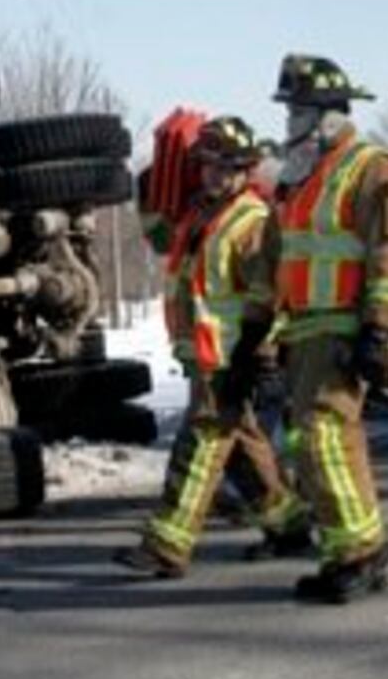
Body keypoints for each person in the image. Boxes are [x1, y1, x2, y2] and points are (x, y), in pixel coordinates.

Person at [115, 116, 312, 579]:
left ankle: (167, 544)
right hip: (205, 355)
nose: (214, 175)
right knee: (242, 446)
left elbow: (271, 295)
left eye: (225, 167)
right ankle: (288, 526)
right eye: (207, 165)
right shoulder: (202, 215)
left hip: (231, 356)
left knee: (199, 445)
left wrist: (260, 355)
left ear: (246, 170)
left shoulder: (252, 222)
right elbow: (173, 257)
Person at [270, 54, 388, 604]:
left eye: (300, 110)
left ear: (330, 115)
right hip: (307, 329)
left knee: (327, 436)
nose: (292, 121)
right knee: (311, 441)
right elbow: (291, 259)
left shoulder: (373, 167)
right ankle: (343, 553)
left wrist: (379, 329)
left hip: (344, 327)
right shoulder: (306, 176)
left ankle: (361, 554)